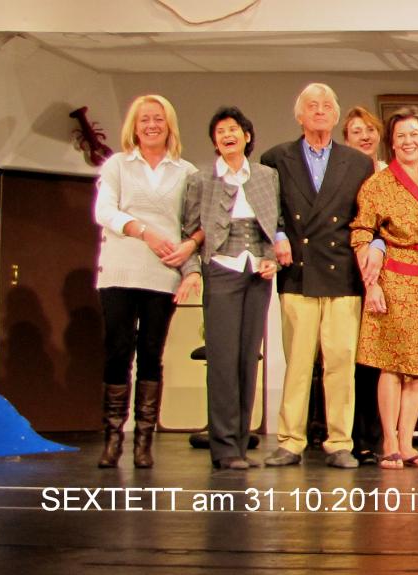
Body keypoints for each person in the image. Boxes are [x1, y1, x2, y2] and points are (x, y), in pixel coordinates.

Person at [261, 83, 376, 469]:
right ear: (300, 115)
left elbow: (366, 216)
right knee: (297, 361)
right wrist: (278, 235)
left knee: (341, 361)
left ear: (336, 114)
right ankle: (290, 441)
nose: (320, 111)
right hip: (298, 271)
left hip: (342, 273)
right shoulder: (276, 158)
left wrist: (373, 248)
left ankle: (339, 441)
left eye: (327, 105)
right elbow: (268, 209)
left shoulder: (357, 162)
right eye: (312, 105)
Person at [93, 94, 198, 469]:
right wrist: (143, 231)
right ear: (134, 127)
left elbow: (194, 225)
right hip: (120, 271)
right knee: (118, 351)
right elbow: (104, 211)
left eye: (158, 119)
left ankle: (143, 441)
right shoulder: (118, 165)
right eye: (144, 120)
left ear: (169, 125)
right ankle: (112, 439)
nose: (152, 125)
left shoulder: (186, 172)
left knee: (152, 354)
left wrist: (190, 261)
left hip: (161, 274)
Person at [175, 106, 282, 470]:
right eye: (220, 131)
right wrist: (191, 271)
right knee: (221, 360)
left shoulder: (266, 176)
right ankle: (223, 448)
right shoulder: (202, 179)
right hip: (221, 269)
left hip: (256, 274)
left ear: (247, 136)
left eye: (233, 129)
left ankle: (240, 442)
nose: (227, 135)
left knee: (247, 359)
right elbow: (188, 231)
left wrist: (272, 258)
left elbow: (277, 224)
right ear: (215, 141)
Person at [351, 106, 418, 469]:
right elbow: (362, 233)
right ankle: (390, 442)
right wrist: (372, 285)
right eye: (401, 136)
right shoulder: (378, 185)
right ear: (391, 143)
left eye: (415, 135)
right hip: (395, 280)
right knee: (392, 365)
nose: (409, 142)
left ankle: (408, 443)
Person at [343, 106, 388, 172]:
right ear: (347, 141)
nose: (365, 137)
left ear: (379, 135)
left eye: (370, 130)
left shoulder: (391, 173)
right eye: (356, 132)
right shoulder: (341, 175)